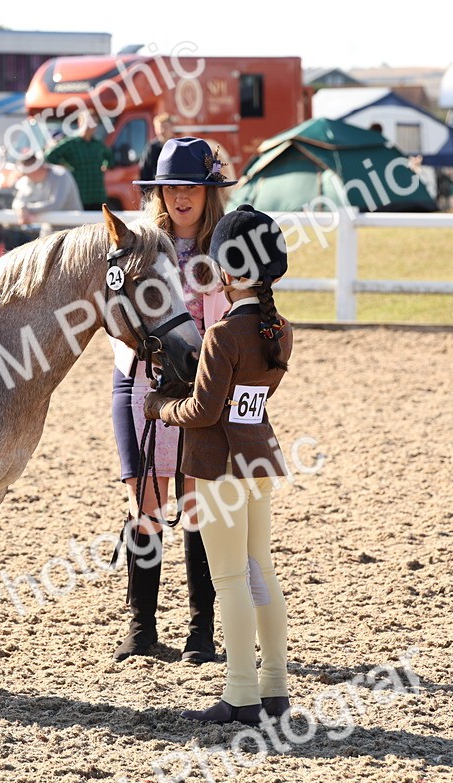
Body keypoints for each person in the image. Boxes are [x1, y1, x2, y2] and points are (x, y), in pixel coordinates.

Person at [144, 203, 294, 725]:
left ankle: (241, 694)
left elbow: (204, 412)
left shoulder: (222, 335)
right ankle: (274, 687)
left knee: (229, 579)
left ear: (230, 270)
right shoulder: (280, 330)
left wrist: (160, 405)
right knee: (260, 572)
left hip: (219, 468)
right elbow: (247, 396)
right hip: (259, 460)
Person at [111, 137, 236, 664]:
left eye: (192, 187)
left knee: (194, 506)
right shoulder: (137, 245)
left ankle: (201, 632)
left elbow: (228, 324)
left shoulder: (223, 253)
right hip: (138, 380)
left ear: (209, 193)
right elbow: (115, 313)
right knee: (145, 505)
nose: (181, 197)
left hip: (196, 385)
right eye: (171, 187)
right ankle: (141, 630)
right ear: (158, 192)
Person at [44, 114, 112, 211]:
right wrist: (63, 166)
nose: (91, 126)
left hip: (97, 195)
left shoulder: (98, 144)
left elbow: (109, 157)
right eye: (88, 123)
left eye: (94, 123)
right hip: (79, 195)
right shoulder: (71, 143)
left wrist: (106, 166)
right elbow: (49, 156)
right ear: (81, 123)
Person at [11, 151, 83, 240]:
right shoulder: (29, 180)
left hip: (72, 235)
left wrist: (27, 209)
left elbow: (55, 204)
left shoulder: (61, 175)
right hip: (49, 234)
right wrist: (21, 208)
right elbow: (17, 201)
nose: (25, 174)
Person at [138, 113, 176, 183]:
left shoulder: (177, 147)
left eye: (165, 127)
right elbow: (145, 171)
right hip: (156, 186)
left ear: (171, 128)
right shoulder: (151, 148)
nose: (162, 130)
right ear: (155, 129)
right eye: (160, 127)